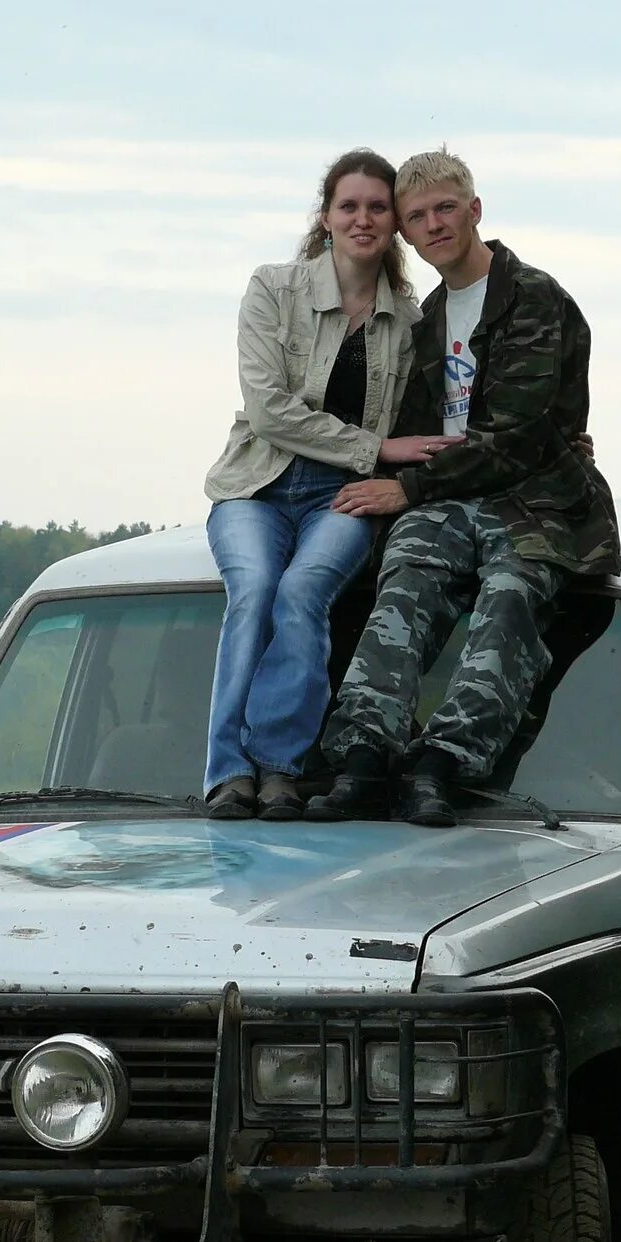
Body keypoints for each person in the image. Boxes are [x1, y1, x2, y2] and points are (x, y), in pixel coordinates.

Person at [306, 148, 620, 827]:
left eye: (445, 208)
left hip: (535, 500)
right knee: (407, 578)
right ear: (406, 235)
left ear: (474, 210)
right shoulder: (426, 320)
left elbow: (519, 437)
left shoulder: (536, 299)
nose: (434, 225)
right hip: (448, 499)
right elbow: (402, 421)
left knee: (509, 594)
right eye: (417, 216)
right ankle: (362, 757)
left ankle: (441, 764)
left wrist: (407, 490)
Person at [201, 149, 451, 820]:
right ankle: (228, 772)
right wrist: (374, 447)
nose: (363, 218)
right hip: (256, 483)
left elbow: (447, 409)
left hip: (344, 495)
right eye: (350, 206)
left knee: (302, 591)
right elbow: (268, 411)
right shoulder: (273, 289)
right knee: (252, 590)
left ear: (394, 223)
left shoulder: (412, 320)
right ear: (326, 216)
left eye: (377, 207)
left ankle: (280, 768)